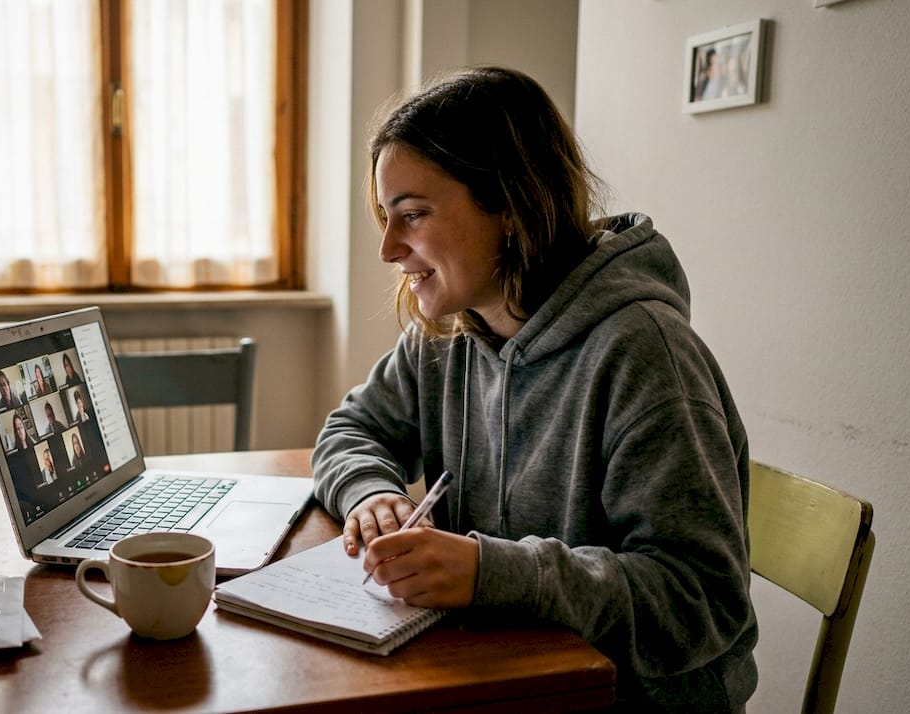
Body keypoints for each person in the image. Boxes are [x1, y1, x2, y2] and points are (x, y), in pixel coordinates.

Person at [311, 66, 756, 711]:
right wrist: (372, 491)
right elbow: (350, 429)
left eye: (412, 215)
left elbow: (701, 599)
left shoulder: (644, 356)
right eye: (385, 216)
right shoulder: (449, 337)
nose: (387, 249)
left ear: (511, 206)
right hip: (503, 679)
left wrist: (497, 574)